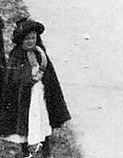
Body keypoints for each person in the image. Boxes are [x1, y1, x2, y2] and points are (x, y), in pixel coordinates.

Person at [0, 20, 71, 157]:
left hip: (40, 96)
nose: (30, 41)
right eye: (27, 38)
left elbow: (50, 76)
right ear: (21, 40)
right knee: (26, 122)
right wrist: (28, 80)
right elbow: (13, 79)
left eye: (33, 38)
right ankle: (25, 149)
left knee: (42, 120)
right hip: (24, 100)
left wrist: (43, 80)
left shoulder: (41, 54)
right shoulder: (16, 56)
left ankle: (44, 147)